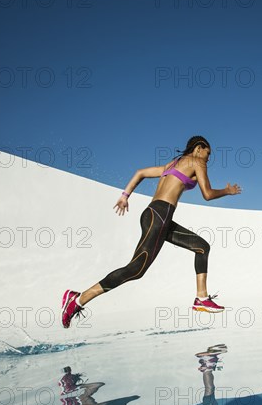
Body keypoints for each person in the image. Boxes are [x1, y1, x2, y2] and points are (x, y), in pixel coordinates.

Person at [61, 136, 241, 328]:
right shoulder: (197, 161)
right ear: (199, 148)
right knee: (135, 269)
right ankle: (77, 300)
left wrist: (125, 196)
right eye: (208, 153)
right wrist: (227, 191)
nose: (208, 158)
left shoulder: (171, 165)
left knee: (201, 247)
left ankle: (201, 298)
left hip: (155, 215)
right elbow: (207, 194)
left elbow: (140, 172)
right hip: (160, 216)